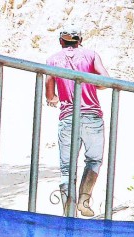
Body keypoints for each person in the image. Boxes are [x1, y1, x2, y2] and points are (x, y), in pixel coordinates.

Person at [45, 25, 109, 217]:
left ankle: (68, 213)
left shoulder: (52, 60)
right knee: (94, 160)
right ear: (80, 41)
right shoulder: (91, 55)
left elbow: (50, 95)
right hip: (92, 115)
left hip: (68, 117)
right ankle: (84, 199)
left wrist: (55, 99)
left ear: (61, 42)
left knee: (67, 169)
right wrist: (91, 83)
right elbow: (105, 80)